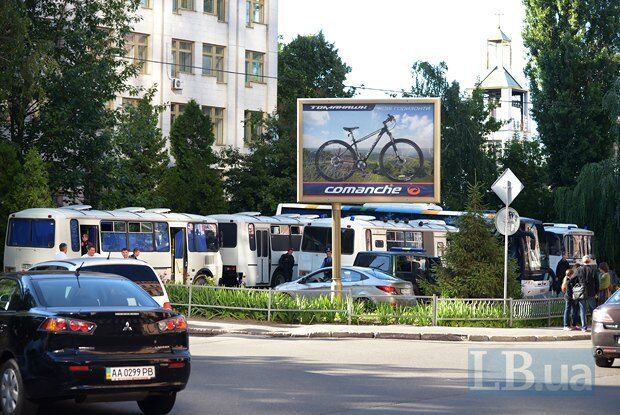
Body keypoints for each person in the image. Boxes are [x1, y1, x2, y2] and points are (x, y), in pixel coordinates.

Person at [571, 255, 599, 331]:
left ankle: (584, 327)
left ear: (583, 262)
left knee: (582, 310)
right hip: (591, 292)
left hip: (581, 292)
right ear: (589, 261)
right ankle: (595, 326)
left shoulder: (579, 269)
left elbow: (572, 279)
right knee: (593, 310)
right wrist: (596, 292)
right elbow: (597, 282)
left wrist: (576, 286)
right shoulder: (593, 269)